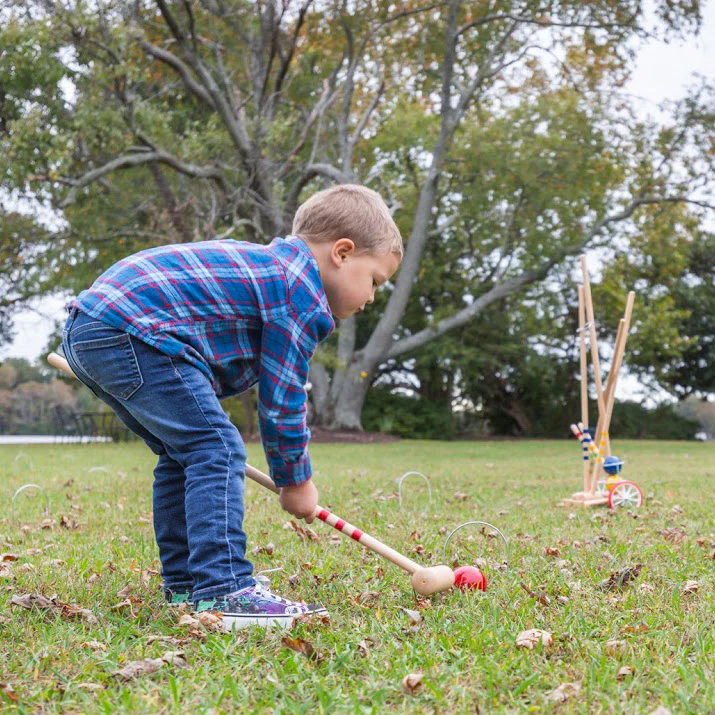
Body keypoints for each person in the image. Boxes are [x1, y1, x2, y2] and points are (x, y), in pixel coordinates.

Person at [61, 184, 403, 630]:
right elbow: (282, 400)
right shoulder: (298, 289)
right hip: (132, 329)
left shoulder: (272, 269)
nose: (372, 297)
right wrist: (295, 480)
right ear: (341, 252)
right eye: (374, 280)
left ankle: (186, 585)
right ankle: (225, 589)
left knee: (182, 454)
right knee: (216, 448)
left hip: (96, 328)